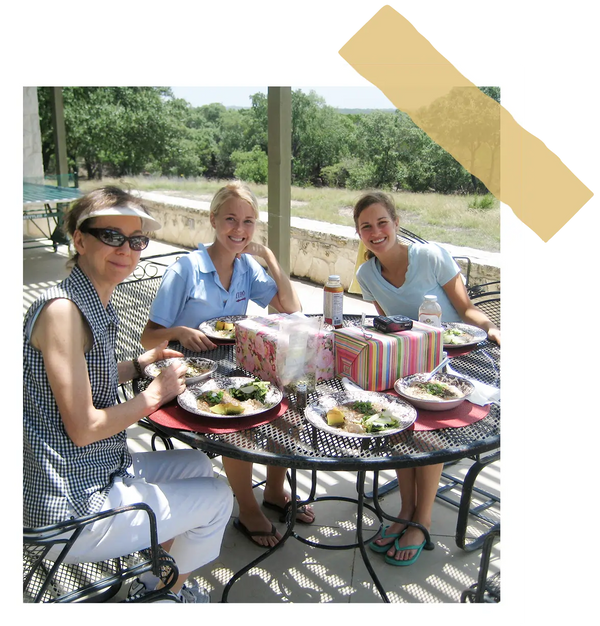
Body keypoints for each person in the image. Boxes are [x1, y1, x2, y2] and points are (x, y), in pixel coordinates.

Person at [23, 186, 233, 603]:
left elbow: (84, 378)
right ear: (79, 240)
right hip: (70, 505)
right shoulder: (62, 310)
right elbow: (84, 428)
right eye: (112, 236)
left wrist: (137, 365)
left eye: (137, 240)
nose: (127, 249)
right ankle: (166, 596)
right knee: (219, 497)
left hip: (97, 469)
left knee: (195, 462)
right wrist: (154, 393)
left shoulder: (91, 301)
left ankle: (156, 577)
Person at [141, 181, 315, 548]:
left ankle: (273, 490)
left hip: (233, 366)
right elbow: (148, 338)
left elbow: (290, 307)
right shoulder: (185, 269)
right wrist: (180, 331)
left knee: (291, 393)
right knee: (241, 415)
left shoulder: (247, 268)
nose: (239, 229)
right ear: (213, 220)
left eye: (249, 222)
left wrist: (269, 257)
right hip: (187, 374)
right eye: (231, 219)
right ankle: (247, 507)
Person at [353, 191, 500, 566]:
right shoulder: (366, 274)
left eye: (382, 222)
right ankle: (405, 509)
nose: (375, 231)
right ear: (359, 233)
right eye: (366, 226)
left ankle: (423, 518)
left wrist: (495, 330)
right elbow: (388, 323)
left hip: (455, 360)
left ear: (396, 222)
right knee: (394, 415)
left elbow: (466, 309)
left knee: (426, 423)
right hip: (408, 363)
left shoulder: (431, 256)